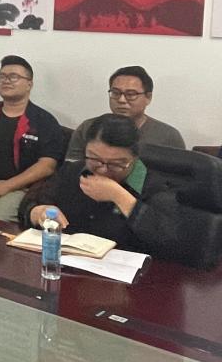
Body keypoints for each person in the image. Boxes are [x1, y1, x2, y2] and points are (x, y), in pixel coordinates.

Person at [20, 114, 222, 269]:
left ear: (134, 158)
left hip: (131, 284)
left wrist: (119, 196)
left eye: (116, 164)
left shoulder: (157, 186)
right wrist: (36, 212)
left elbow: (169, 240)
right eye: (94, 159)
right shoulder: (75, 171)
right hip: (69, 270)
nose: (103, 169)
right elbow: (31, 201)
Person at [0, 55, 64, 221]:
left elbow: (47, 166)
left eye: (13, 77)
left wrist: (7, 186)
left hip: (16, 188)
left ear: (29, 84)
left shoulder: (44, 121)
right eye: (2, 76)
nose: (6, 81)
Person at [65, 66, 185, 161]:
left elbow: (179, 179)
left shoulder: (168, 136)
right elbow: (72, 169)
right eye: (115, 93)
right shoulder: (88, 127)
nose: (121, 100)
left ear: (148, 97)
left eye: (131, 94)